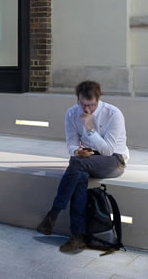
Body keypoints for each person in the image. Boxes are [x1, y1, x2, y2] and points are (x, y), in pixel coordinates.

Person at [36, 80, 129, 253]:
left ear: (98, 99)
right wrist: (77, 151)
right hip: (86, 160)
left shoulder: (113, 113)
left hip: (114, 160)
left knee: (77, 165)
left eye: (91, 105)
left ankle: (54, 213)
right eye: (82, 104)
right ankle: (77, 237)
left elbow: (108, 150)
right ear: (78, 99)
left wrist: (89, 127)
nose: (86, 109)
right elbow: (71, 143)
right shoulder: (71, 113)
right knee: (79, 175)